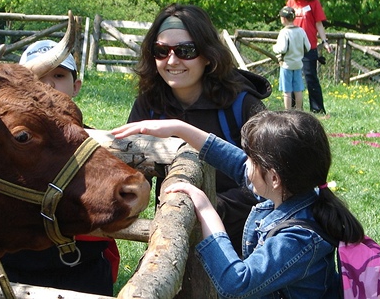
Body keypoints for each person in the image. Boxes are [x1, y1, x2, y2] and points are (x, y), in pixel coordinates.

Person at [111, 110, 365, 298]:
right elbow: (235, 163)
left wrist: (207, 210)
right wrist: (180, 128)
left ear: (274, 178)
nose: (246, 164)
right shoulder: (295, 192)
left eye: (253, 160)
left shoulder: (298, 237)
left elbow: (236, 283)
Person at [127, 3, 272, 256]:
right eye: (161, 51)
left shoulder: (242, 105)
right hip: (175, 240)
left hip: (245, 247)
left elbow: (274, 182)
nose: (172, 61)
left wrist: (210, 208)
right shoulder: (148, 105)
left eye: (185, 50)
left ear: (207, 55)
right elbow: (132, 172)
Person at [0, 40, 118, 296]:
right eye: (37, 77)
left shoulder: (96, 144)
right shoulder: (6, 140)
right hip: (18, 256)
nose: (48, 85)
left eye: (59, 75)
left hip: (82, 260)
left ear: (76, 87)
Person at [286, 0, 332, 115]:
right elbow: (285, 23)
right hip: (293, 48)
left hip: (309, 47)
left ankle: (317, 108)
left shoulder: (314, 3)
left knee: (310, 77)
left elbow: (319, 24)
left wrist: (325, 41)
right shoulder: (291, 2)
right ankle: (294, 109)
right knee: (293, 78)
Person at [273, 6, 310, 110]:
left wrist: (274, 48)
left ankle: (288, 111)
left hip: (286, 65)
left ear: (284, 18)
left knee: (287, 90)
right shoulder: (301, 31)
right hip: (298, 64)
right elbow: (308, 46)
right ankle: (299, 110)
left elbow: (282, 48)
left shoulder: (284, 32)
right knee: (298, 90)